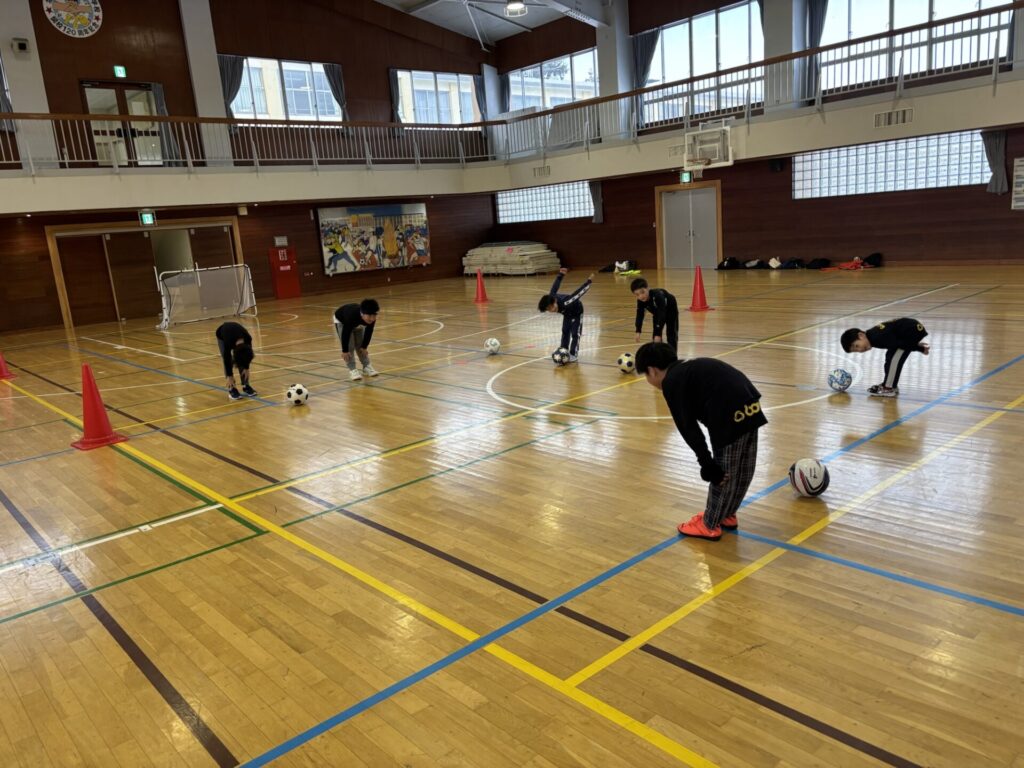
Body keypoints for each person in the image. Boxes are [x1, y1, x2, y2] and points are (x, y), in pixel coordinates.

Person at [635, 342, 767, 541]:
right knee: (742, 469)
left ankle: (709, 524)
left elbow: (688, 428)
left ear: (652, 370)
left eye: (645, 375)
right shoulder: (688, 367)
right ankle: (727, 513)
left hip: (728, 415)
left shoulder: (671, 382)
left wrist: (707, 463)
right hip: (750, 405)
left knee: (722, 474)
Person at [840, 318, 930, 397]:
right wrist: (915, 345)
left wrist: (919, 348)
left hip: (911, 330)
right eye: (855, 350)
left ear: (861, 335)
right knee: (890, 357)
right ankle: (889, 384)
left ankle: (888, 388)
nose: (859, 350)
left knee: (894, 360)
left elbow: (902, 345)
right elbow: (896, 342)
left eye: (857, 346)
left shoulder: (877, 337)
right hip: (909, 330)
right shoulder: (873, 336)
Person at [538, 267, 594, 363]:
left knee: (575, 333)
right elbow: (555, 286)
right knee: (565, 331)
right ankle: (563, 350)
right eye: (548, 310)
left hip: (576, 311)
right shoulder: (551, 297)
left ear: (555, 301)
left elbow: (577, 294)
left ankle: (573, 354)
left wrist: (588, 282)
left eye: (552, 307)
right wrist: (561, 274)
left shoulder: (566, 302)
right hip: (567, 313)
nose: (552, 310)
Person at [334, 299, 380, 381]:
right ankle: (352, 370)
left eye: (374, 315)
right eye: (369, 316)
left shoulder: (371, 318)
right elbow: (346, 333)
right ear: (362, 313)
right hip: (343, 322)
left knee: (360, 345)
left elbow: (369, 331)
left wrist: (364, 346)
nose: (372, 319)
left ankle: (366, 367)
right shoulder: (351, 316)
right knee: (350, 346)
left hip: (357, 322)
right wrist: (345, 350)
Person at [631, 278, 679, 351]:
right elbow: (640, 315)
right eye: (637, 295)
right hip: (657, 312)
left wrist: (658, 333)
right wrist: (638, 330)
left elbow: (661, 314)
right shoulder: (640, 301)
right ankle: (659, 355)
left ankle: (673, 355)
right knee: (655, 339)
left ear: (648, 288)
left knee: (671, 333)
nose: (641, 296)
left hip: (670, 310)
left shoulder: (657, 296)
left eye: (642, 292)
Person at [215, 321, 256, 401]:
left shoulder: (248, 339)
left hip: (235, 332)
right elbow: (227, 360)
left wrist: (246, 368)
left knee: (243, 360)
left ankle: (246, 385)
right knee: (227, 360)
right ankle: (232, 388)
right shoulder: (228, 341)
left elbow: (246, 356)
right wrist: (229, 376)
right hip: (222, 335)